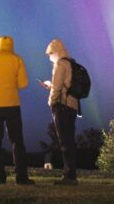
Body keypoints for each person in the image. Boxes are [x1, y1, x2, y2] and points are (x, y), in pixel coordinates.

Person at [0, 35, 33, 185]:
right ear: (11, 45)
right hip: (12, 104)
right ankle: (21, 178)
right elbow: (23, 84)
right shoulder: (17, 59)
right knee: (17, 142)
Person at [42, 38, 79, 185]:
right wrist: (52, 87)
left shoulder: (60, 64)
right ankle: (71, 174)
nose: (50, 57)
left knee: (65, 142)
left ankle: (69, 176)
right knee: (69, 140)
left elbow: (57, 88)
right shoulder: (71, 63)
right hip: (72, 106)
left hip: (62, 106)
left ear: (55, 51)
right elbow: (65, 85)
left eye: (50, 54)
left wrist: (51, 102)